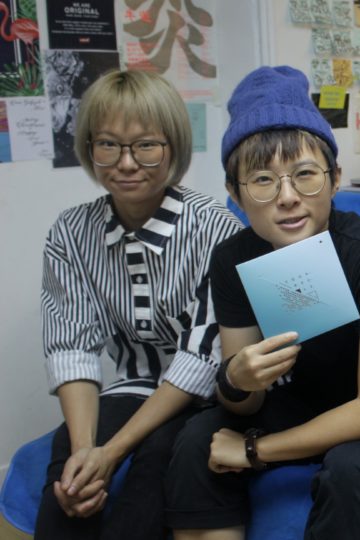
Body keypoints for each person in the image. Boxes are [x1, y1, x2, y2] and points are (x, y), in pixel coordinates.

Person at [163, 66, 360, 540]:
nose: (288, 198)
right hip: (303, 403)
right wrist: (235, 380)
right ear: (235, 194)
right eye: (263, 180)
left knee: (350, 465)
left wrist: (255, 450)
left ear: (334, 180)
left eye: (306, 175)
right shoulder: (234, 259)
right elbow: (244, 403)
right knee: (194, 439)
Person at [35, 70, 243, 540]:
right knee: (67, 467)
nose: (126, 163)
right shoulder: (72, 232)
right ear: (89, 148)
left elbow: (199, 361)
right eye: (108, 144)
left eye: (146, 145)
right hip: (131, 385)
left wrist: (112, 454)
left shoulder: (217, 231)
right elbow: (70, 347)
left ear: (173, 147)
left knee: (158, 455)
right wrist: (88, 451)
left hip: (203, 397)